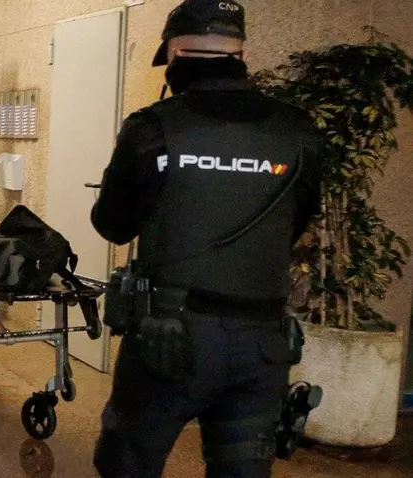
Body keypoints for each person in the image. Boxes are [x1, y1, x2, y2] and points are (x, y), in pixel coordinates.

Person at [90, 1, 323, 477]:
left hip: (168, 339)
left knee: (128, 463)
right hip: (262, 344)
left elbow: (113, 225)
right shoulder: (299, 130)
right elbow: (296, 225)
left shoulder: (152, 127)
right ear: (243, 55)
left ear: (174, 53)